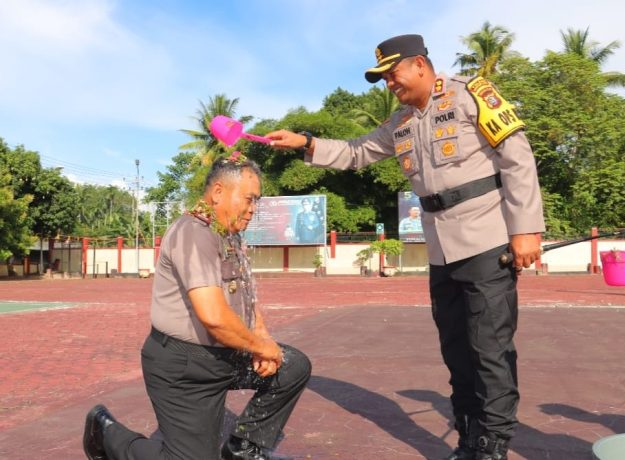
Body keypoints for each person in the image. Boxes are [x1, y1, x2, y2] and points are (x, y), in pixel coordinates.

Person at [266, 34, 545, 460]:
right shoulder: (400, 122)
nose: (389, 84)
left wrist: (526, 229)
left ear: (418, 64)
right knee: (456, 352)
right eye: (382, 79)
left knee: (489, 350)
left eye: (392, 74)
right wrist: (306, 143)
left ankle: (493, 446)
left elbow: (517, 157)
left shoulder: (471, 94)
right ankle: (469, 440)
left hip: (487, 239)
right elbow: (356, 152)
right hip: (441, 249)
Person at [83, 154, 312, 460]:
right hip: (184, 366)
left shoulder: (226, 234)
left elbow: (246, 297)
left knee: (292, 366)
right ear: (218, 192)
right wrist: (261, 348)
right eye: (249, 199)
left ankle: (242, 450)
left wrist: (264, 339)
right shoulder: (194, 233)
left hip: (225, 355)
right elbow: (214, 318)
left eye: (256, 201)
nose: (253, 209)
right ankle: (107, 433)